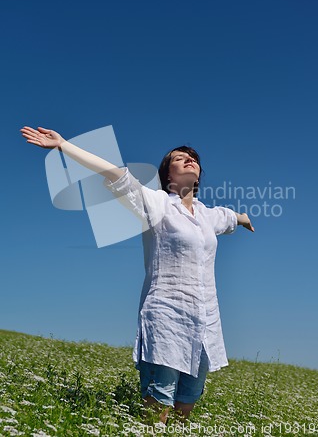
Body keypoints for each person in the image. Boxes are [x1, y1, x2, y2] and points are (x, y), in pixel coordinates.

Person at [20, 125, 254, 424]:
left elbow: (232, 216)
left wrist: (245, 219)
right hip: (166, 313)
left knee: (188, 402)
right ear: (168, 176)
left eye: (193, 157)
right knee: (160, 402)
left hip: (205, 319)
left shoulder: (209, 214)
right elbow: (113, 173)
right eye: (180, 158)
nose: (189, 159)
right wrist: (64, 145)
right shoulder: (156, 203)